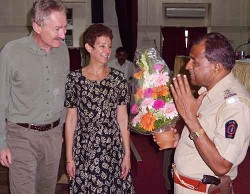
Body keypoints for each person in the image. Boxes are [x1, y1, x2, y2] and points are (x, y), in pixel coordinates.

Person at [154, 32, 250, 194]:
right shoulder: (208, 92)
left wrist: (190, 119)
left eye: (195, 62)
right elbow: (204, 134)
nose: (188, 66)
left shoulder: (235, 104)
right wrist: (183, 139)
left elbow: (221, 165)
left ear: (216, 66)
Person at [0, 0, 69, 193]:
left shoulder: (62, 50)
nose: (63, 34)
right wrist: (1, 143)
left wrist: (61, 132)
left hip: (53, 136)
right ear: (37, 26)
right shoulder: (11, 52)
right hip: (21, 135)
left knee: (46, 190)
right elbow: (0, 100)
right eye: (57, 29)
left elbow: (63, 93)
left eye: (65, 27)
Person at [64, 24, 135, 194]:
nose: (107, 51)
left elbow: (123, 118)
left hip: (112, 148)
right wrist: (69, 158)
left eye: (109, 46)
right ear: (89, 47)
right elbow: (71, 120)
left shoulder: (118, 79)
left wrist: (126, 154)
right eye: (102, 46)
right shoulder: (74, 79)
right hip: (84, 149)